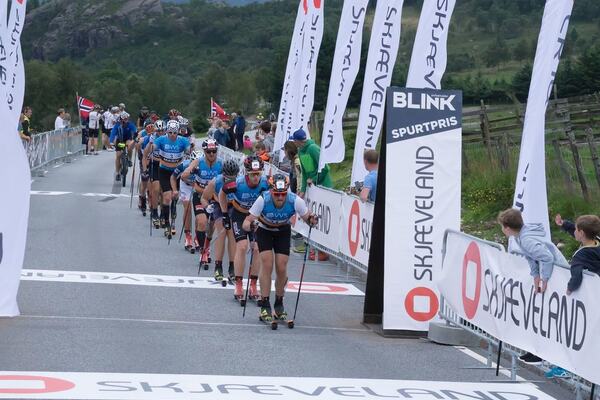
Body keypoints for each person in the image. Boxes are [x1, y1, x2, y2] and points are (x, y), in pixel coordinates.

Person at [243, 174, 317, 323]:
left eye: (283, 194)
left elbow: (307, 218)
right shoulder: (263, 199)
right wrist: (250, 226)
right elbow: (246, 221)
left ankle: (279, 302)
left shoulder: (295, 200)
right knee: (267, 264)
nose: (280, 198)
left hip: (283, 231)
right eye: (277, 194)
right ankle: (265, 303)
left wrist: (312, 220)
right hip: (265, 230)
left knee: (281, 267)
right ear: (271, 191)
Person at [498, 208, 568, 365]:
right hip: (549, 274)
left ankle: (545, 353)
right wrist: (535, 275)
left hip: (557, 275)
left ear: (507, 228)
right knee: (539, 313)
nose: (502, 229)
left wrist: (544, 278)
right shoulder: (520, 236)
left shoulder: (526, 239)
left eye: (502, 226)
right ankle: (537, 349)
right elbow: (530, 256)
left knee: (548, 315)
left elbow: (546, 257)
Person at [219, 155, 269, 301]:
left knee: (257, 249)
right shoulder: (237, 183)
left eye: (258, 174)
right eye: (253, 174)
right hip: (239, 215)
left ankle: (253, 285)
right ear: (247, 173)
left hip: (256, 218)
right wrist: (224, 214)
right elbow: (222, 194)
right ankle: (239, 284)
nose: (256, 177)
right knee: (242, 246)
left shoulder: (265, 183)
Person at [182, 139, 223, 267]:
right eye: (209, 151)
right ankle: (203, 251)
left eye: (214, 151)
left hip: (214, 198)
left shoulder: (221, 164)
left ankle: (206, 245)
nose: (211, 154)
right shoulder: (198, 162)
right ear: (204, 151)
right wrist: (191, 172)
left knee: (210, 227)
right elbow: (184, 175)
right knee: (201, 222)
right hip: (200, 196)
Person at [150, 120, 191, 237]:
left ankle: (172, 216)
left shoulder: (183, 140)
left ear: (178, 132)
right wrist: (151, 146)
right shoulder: (161, 139)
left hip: (177, 172)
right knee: (167, 196)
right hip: (164, 171)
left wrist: (189, 151)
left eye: (175, 132)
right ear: (167, 131)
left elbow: (189, 152)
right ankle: (167, 224)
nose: (172, 135)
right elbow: (153, 148)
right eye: (170, 132)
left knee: (175, 196)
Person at [201, 159, 240, 281]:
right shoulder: (215, 182)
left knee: (232, 234)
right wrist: (207, 207)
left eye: (233, 178)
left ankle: (232, 267)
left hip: (233, 206)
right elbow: (203, 198)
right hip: (218, 205)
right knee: (221, 232)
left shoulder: (240, 182)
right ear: (223, 174)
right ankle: (218, 266)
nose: (230, 181)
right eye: (227, 178)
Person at [555, 214, 600, 294]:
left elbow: (577, 276)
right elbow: (581, 231)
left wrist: (570, 288)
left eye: (576, 229)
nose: (574, 231)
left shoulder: (580, 256)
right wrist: (564, 224)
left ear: (581, 233)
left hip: (593, 291)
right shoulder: (596, 239)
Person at [290, 128, 332, 198]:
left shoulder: (313, 148)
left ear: (297, 141)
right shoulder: (300, 152)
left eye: (294, 141)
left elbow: (325, 168)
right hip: (313, 188)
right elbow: (304, 173)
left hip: (324, 187)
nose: (293, 143)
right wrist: (303, 190)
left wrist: (313, 179)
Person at [171, 150, 200, 253]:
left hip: (198, 187)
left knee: (199, 212)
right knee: (187, 208)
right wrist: (175, 190)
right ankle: (188, 236)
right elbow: (173, 177)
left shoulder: (204, 166)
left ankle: (198, 236)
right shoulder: (184, 165)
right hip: (185, 185)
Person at [142, 119, 166, 228]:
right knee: (156, 190)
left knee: (163, 192)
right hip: (155, 165)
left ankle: (163, 214)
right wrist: (150, 142)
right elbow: (145, 153)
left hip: (165, 166)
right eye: (158, 131)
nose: (160, 132)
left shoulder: (168, 138)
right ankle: (155, 212)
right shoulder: (152, 137)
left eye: (162, 130)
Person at [109, 112, 138, 181]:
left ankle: (129, 159)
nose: (126, 120)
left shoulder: (130, 124)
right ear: (121, 119)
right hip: (120, 140)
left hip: (127, 139)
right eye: (124, 119)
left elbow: (135, 131)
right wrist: (111, 141)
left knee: (130, 146)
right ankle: (117, 173)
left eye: (127, 119)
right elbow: (113, 133)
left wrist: (136, 138)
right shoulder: (117, 125)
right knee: (118, 155)